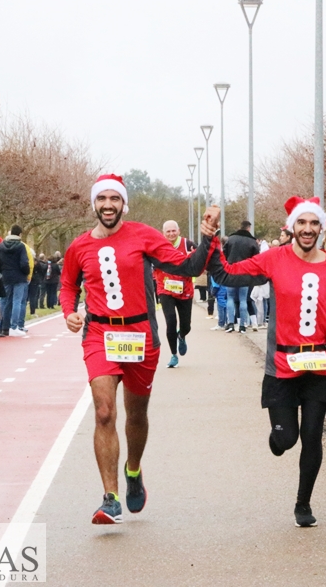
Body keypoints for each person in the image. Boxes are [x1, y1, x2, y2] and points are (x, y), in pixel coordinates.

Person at [202, 196, 326, 527]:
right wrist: (212, 239)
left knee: (312, 435)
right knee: (286, 438)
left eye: (313, 223)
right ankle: (278, 436)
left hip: (318, 363)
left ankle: (303, 503)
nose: (307, 229)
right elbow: (228, 274)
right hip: (281, 364)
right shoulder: (274, 259)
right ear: (291, 227)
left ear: (321, 228)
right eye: (301, 223)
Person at [60, 175, 212, 525]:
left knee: (137, 415)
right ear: (94, 204)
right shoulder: (79, 246)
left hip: (140, 334)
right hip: (99, 334)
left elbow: (186, 266)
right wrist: (70, 311)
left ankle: (133, 469)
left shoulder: (143, 235)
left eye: (115, 199)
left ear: (123, 204)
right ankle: (110, 497)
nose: (109, 205)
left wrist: (206, 240)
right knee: (103, 412)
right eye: (103, 199)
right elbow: (68, 284)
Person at [153, 220, 196, 369]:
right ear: (163, 233)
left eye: (173, 231)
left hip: (185, 291)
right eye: (168, 232)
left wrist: (193, 258)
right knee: (170, 322)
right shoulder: (157, 247)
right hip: (165, 290)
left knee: (186, 326)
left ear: (178, 231)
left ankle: (182, 335)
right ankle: (173, 355)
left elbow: (199, 264)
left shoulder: (188, 244)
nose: (171, 234)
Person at [223, 220, 260, 333]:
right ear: (248, 228)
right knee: (243, 299)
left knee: (230, 298)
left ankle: (230, 324)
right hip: (245, 273)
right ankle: (242, 326)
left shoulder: (230, 239)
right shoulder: (252, 241)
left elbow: (224, 255)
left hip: (231, 271)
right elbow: (256, 259)